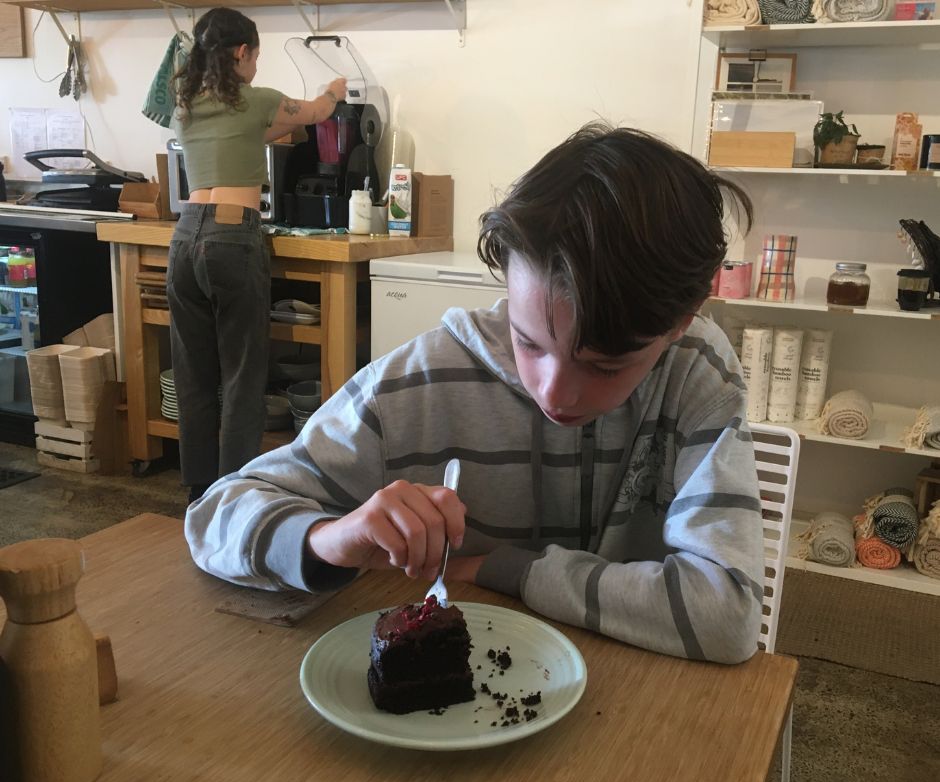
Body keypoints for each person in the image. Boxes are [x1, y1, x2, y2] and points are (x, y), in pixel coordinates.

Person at [186, 123, 765, 664]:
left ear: (684, 318)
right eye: (528, 341)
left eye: (605, 365)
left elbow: (727, 614)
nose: (553, 391)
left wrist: (501, 568)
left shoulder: (696, 375)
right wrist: (329, 538)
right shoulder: (424, 378)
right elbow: (214, 515)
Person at [167, 7, 347, 503]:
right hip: (231, 237)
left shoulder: (185, 105)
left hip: (184, 238)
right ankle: (236, 495)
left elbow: (250, 136)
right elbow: (317, 112)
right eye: (256, 56)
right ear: (243, 52)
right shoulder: (257, 99)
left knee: (194, 374)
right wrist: (335, 88)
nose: (255, 67)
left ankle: (199, 492)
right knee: (243, 374)